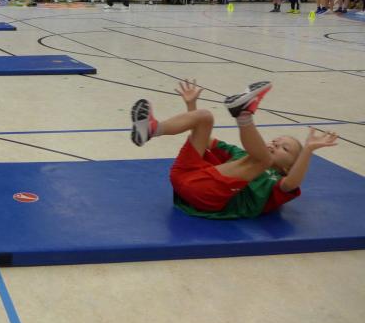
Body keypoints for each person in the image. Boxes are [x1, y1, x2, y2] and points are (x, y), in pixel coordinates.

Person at [130, 79, 338, 219]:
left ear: (288, 168)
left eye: (284, 148)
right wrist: (191, 106)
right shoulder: (241, 155)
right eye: (276, 141)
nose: (275, 144)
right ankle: (153, 129)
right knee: (204, 117)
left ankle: (243, 114)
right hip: (184, 176)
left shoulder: (276, 182)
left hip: (204, 197)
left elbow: (293, 182)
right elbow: (203, 139)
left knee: (262, 160)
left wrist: (308, 150)